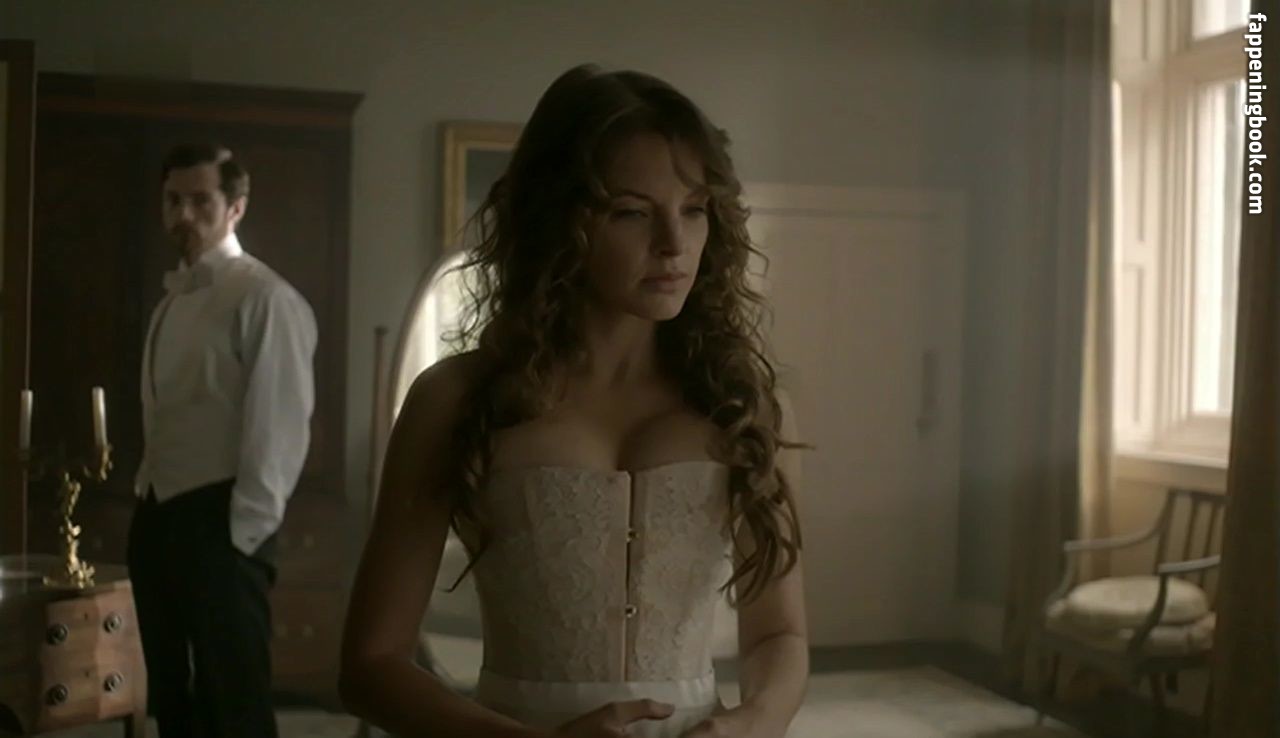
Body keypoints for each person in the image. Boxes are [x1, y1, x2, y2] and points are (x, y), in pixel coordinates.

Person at [340, 64, 809, 738]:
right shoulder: (455, 399)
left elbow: (780, 635)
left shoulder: (745, 407)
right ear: (558, 220)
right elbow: (370, 665)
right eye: (632, 212)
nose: (674, 245)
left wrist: (750, 724)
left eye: (694, 209)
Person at [128, 143, 318, 738]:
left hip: (223, 525)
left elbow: (279, 427)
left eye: (200, 201)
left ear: (235, 207)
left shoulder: (266, 298)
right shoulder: (171, 302)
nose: (183, 214)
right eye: (172, 200)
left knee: (234, 702)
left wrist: (243, 536)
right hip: (159, 516)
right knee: (170, 698)